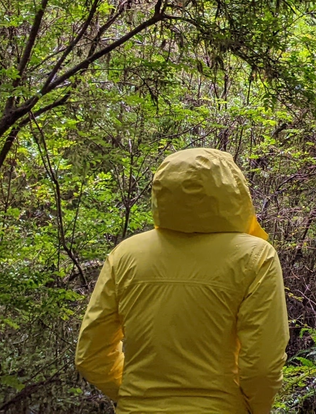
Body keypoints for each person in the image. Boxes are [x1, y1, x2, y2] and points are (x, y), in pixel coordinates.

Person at [75, 148, 290, 414]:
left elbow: (91, 355)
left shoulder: (126, 254)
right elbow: (262, 366)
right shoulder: (255, 256)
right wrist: (255, 409)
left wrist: (136, 398)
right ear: (233, 190)